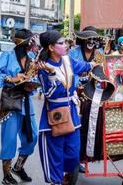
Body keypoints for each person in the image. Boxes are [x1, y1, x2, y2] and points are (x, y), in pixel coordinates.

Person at [37, 30, 96, 185]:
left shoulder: (68, 60)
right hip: (54, 115)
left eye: (65, 42)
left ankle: (63, 176)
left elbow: (83, 66)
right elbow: (50, 94)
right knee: (54, 155)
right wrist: (51, 74)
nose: (66, 45)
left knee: (73, 155)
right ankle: (55, 182)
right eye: (61, 43)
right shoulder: (43, 67)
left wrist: (94, 64)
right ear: (51, 47)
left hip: (72, 114)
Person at [0, 29, 38, 184]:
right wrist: (12, 78)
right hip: (10, 102)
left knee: (32, 137)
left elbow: (34, 78)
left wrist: (32, 86)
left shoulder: (31, 59)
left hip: (26, 103)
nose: (34, 44)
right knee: (9, 139)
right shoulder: (8, 56)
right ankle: (6, 175)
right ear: (23, 43)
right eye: (31, 41)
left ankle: (18, 166)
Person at [68, 26, 103, 172]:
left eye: (94, 39)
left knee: (97, 122)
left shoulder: (99, 54)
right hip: (75, 93)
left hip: (94, 93)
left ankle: (90, 153)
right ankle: (74, 157)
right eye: (88, 39)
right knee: (76, 126)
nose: (91, 42)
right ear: (82, 40)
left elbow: (104, 73)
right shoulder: (73, 53)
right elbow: (69, 72)